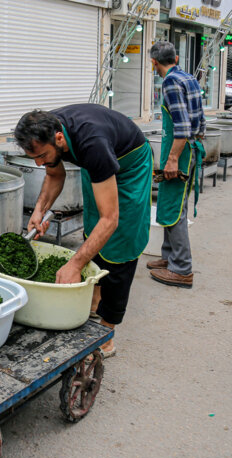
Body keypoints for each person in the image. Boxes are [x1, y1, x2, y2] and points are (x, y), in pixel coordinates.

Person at [14, 105, 153, 358]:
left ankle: (107, 333)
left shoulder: (93, 144)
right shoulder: (47, 131)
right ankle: (94, 301)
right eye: (33, 158)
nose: (39, 162)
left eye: (42, 155)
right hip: (99, 163)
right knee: (93, 224)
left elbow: (110, 220)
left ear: (58, 138)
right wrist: (38, 211)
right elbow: (55, 175)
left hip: (130, 165)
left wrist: (74, 264)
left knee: (120, 240)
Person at [147, 41, 205, 289]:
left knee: (174, 208)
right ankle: (169, 256)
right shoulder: (188, 77)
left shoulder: (170, 82)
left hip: (180, 152)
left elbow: (181, 127)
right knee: (171, 204)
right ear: (177, 57)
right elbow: (198, 120)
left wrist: (172, 159)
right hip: (191, 148)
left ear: (154, 62)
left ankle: (181, 269)